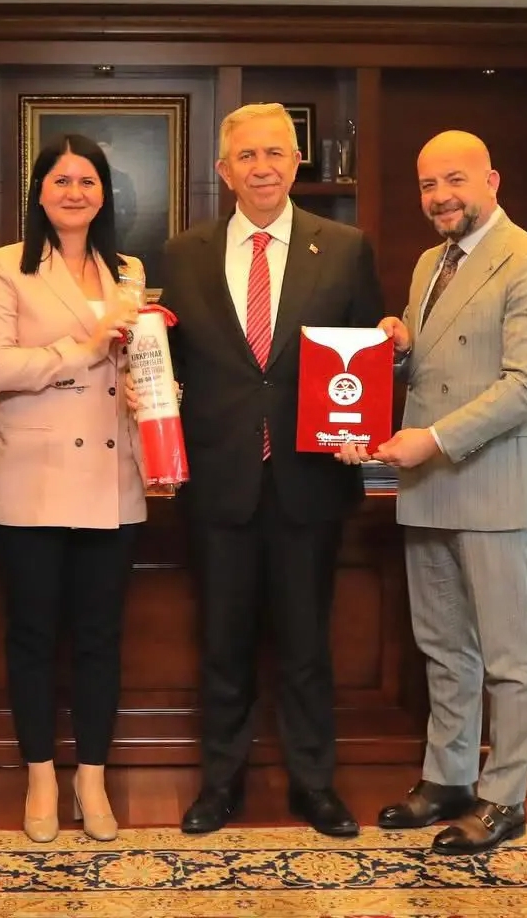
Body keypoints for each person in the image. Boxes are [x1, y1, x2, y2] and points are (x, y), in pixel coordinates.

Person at [153, 102, 384, 838]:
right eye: (247, 156)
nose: (263, 168)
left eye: (276, 153)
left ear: (296, 162)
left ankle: (315, 786)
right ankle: (220, 784)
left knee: (307, 647)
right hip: (218, 480)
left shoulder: (343, 248)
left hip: (309, 481)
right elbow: (170, 363)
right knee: (222, 646)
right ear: (223, 170)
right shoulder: (182, 253)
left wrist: (368, 422)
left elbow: (367, 357)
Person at [338, 130, 527, 855]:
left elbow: (526, 389)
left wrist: (433, 440)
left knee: (507, 657)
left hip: (494, 485)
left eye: (455, 180)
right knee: (443, 647)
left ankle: (505, 797)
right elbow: (434, 369)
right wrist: (398, 347)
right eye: (427, 185)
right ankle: (447, 778)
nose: (440, 197)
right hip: (432, 485)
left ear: (491, 181)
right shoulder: (428, 263)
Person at [0, 133, 145, 844]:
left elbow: (132, 360)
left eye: (88, 180)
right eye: (61, 180)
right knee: (34, 636)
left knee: (102, 637)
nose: (75, 192)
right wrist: (85, 347)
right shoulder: (3, 265)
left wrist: (146, 387)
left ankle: (92, 776)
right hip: (31, 478)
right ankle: (41, 773)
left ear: (104, 194)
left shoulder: (128, 270)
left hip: (112, 477)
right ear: (38, 192)